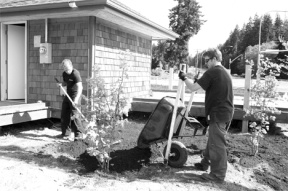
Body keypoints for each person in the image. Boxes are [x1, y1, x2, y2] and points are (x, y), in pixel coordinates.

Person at [179, 48, 234, 183]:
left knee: (217, 144)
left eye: (207, 61)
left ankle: (217, 175)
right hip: (224, 112)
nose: (206, 64)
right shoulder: (222, 72)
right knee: (213, 140)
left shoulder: (214, 71)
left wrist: (184, 77)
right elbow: (202, 85)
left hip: (219, 113)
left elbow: (192, 88)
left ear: (215, 59)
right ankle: (205, 163)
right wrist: (196, 80)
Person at [57, 59, 83, 141]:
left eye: (67, 68)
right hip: (67, 95)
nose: (66, 70)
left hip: (75, 95)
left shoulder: (75, 73)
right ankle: (66, 133)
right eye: (64, 68)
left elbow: (80, 87)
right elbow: (65, 83)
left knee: (75, 115)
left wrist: (76, 99)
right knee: (64, 113)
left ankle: (79, 134)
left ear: (71, 66)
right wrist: (61, 89)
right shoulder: (64, 73)